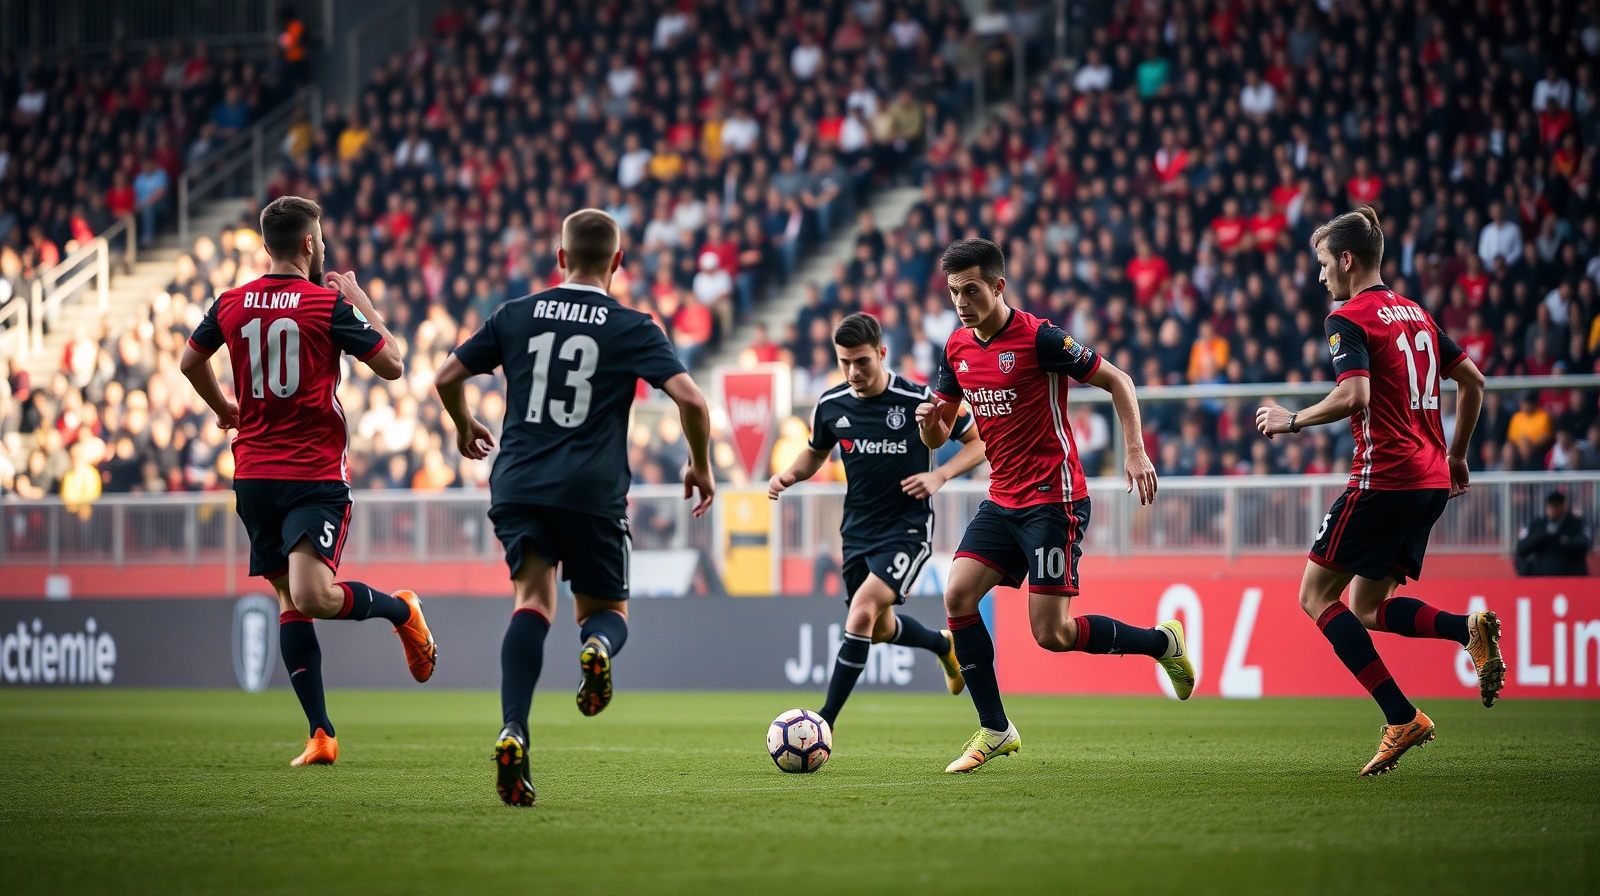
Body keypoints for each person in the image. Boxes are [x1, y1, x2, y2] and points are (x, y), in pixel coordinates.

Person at [433, 209, 715, 807]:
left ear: (559, 259)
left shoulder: (515, 314)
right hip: (592, 491)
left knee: (532, 601)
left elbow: (445, 375)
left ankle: (514, 728)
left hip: (520, 483)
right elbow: (692, 400)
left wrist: (463, 424)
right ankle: (597, 650)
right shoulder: (634, 325)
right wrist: (700, 465)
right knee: (606, 613)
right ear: (617, 262)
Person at [917, 238, 1193, 774]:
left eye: (971, 289)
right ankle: (995, 728)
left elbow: (1119, 380)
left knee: (1053, 635)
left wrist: (1134, 450)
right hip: (1002, 499)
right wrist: (932, 426)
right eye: (953, 291)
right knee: (957, 593)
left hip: (1054, 499)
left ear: (998, 286)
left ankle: (1164, 643)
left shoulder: (1039, 338)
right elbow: (942, 432)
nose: (961, 301)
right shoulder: (955, 348)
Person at [179, 195, 436, 767]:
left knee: (311, 594)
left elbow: (189, 362)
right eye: (319, 239)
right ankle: (321, 735)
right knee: (291, 599)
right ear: (309, 245)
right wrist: (363, 302)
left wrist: (225, 407)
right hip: (267, 473)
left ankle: (403, 613)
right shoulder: (325, 305)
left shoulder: (231, 303)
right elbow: (394, 363)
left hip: (304, 475)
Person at [1256, 208, 1502, 777]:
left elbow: (1355, 397)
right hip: (1431, 481)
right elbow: (1474, 381)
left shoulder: (1349, 317)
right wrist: (1458, 453)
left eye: (1323, 264)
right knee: (1367, 606)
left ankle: (1401, 716)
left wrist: (1291, 420)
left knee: (1315, 597)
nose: (1320, 277)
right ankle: (1466, 629)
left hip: (1383, 479)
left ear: (1347, 260)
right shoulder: (1416, 313)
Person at [769, 312, 986, 730]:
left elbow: (980, 443)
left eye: (862, 361)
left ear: (882, 353)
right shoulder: (832, 405)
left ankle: (822, 722)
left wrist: (940, 474)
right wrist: (790, 475)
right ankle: (943, 644)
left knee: (862, 612)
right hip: (856, 532)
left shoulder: (919, 400)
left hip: (907, 529)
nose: (853, 371)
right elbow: (815, 452)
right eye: (844, 362)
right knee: (880, 627)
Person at [1515, 491, 1592, 576]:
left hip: (1570, 576)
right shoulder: (1537, 524)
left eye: (1557, 506)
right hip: (1540, 577)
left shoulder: (1576, 523)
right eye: (1551, 506)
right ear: (1547, 507)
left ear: (1563, 506)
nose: (1553, 510)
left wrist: (1561, 540)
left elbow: (1584, 545)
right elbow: (1521, 547)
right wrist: (1543, 536)